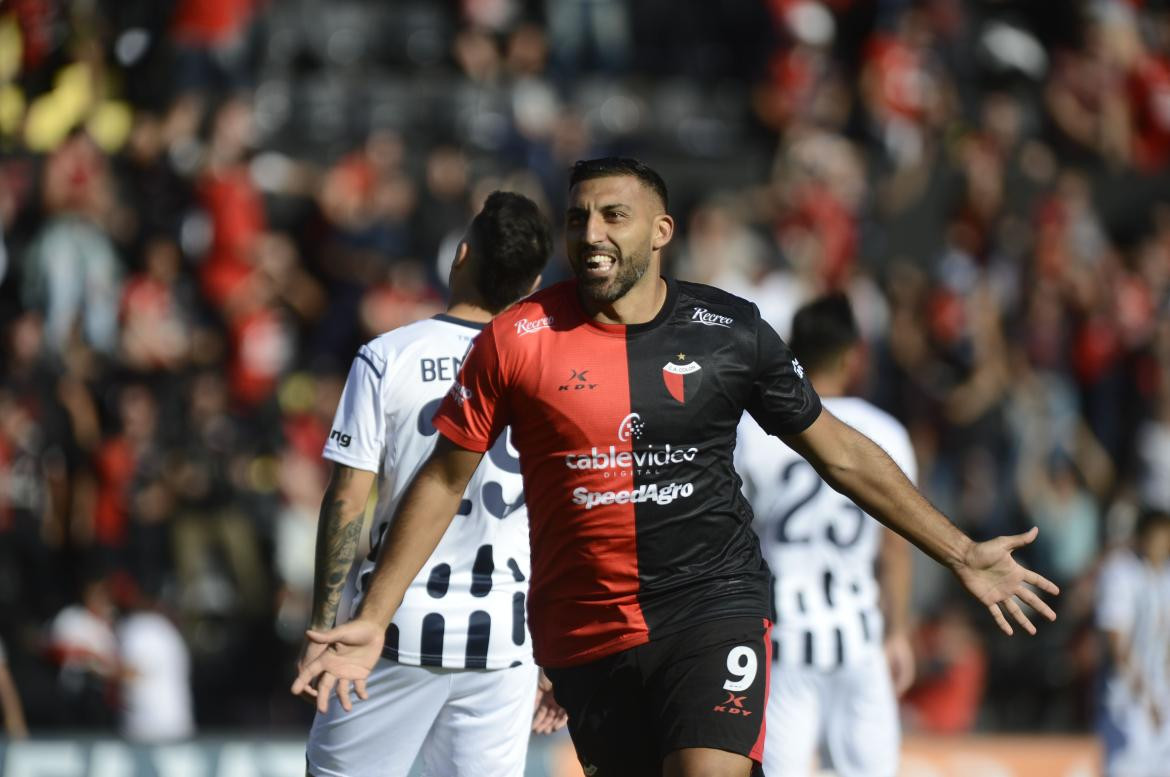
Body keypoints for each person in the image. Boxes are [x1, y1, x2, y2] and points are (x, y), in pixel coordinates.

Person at [293, 157, 1060, 777]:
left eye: (612, 216)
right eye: (577, 217)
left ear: (661, 230)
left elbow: (841, 451)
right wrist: (369, 616)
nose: (590, 233)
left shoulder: (729, 331)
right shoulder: (519, 337)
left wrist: (960, 550)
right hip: (587, 629)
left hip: (710, 605)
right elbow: (440, 479)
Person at [299, 190, 562, 777]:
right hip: (505, 637)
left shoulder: (388, 356)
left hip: (398, 627)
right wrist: (556, 649)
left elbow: (348, 498)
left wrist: (324, 622)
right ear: (533, 281)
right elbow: (563, 515)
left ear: (460, 255)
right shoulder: (548, 373)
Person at [735, 293, 916, 777]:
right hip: (859, 637)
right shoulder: (887, 433)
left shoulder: (755, 431)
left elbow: (735, 532)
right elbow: (894, 550)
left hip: (783, 638)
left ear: (792, 351)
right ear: (853, 355)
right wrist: (898, 632)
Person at [1097, 509, 1170, 777]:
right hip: (1128, 700)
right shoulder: (1121, 573)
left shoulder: (1165, 578)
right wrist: (1144, 695)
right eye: (1155, 540)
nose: (1160, 548)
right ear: (1141, 538)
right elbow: (1118, 641)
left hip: (1162, 699)